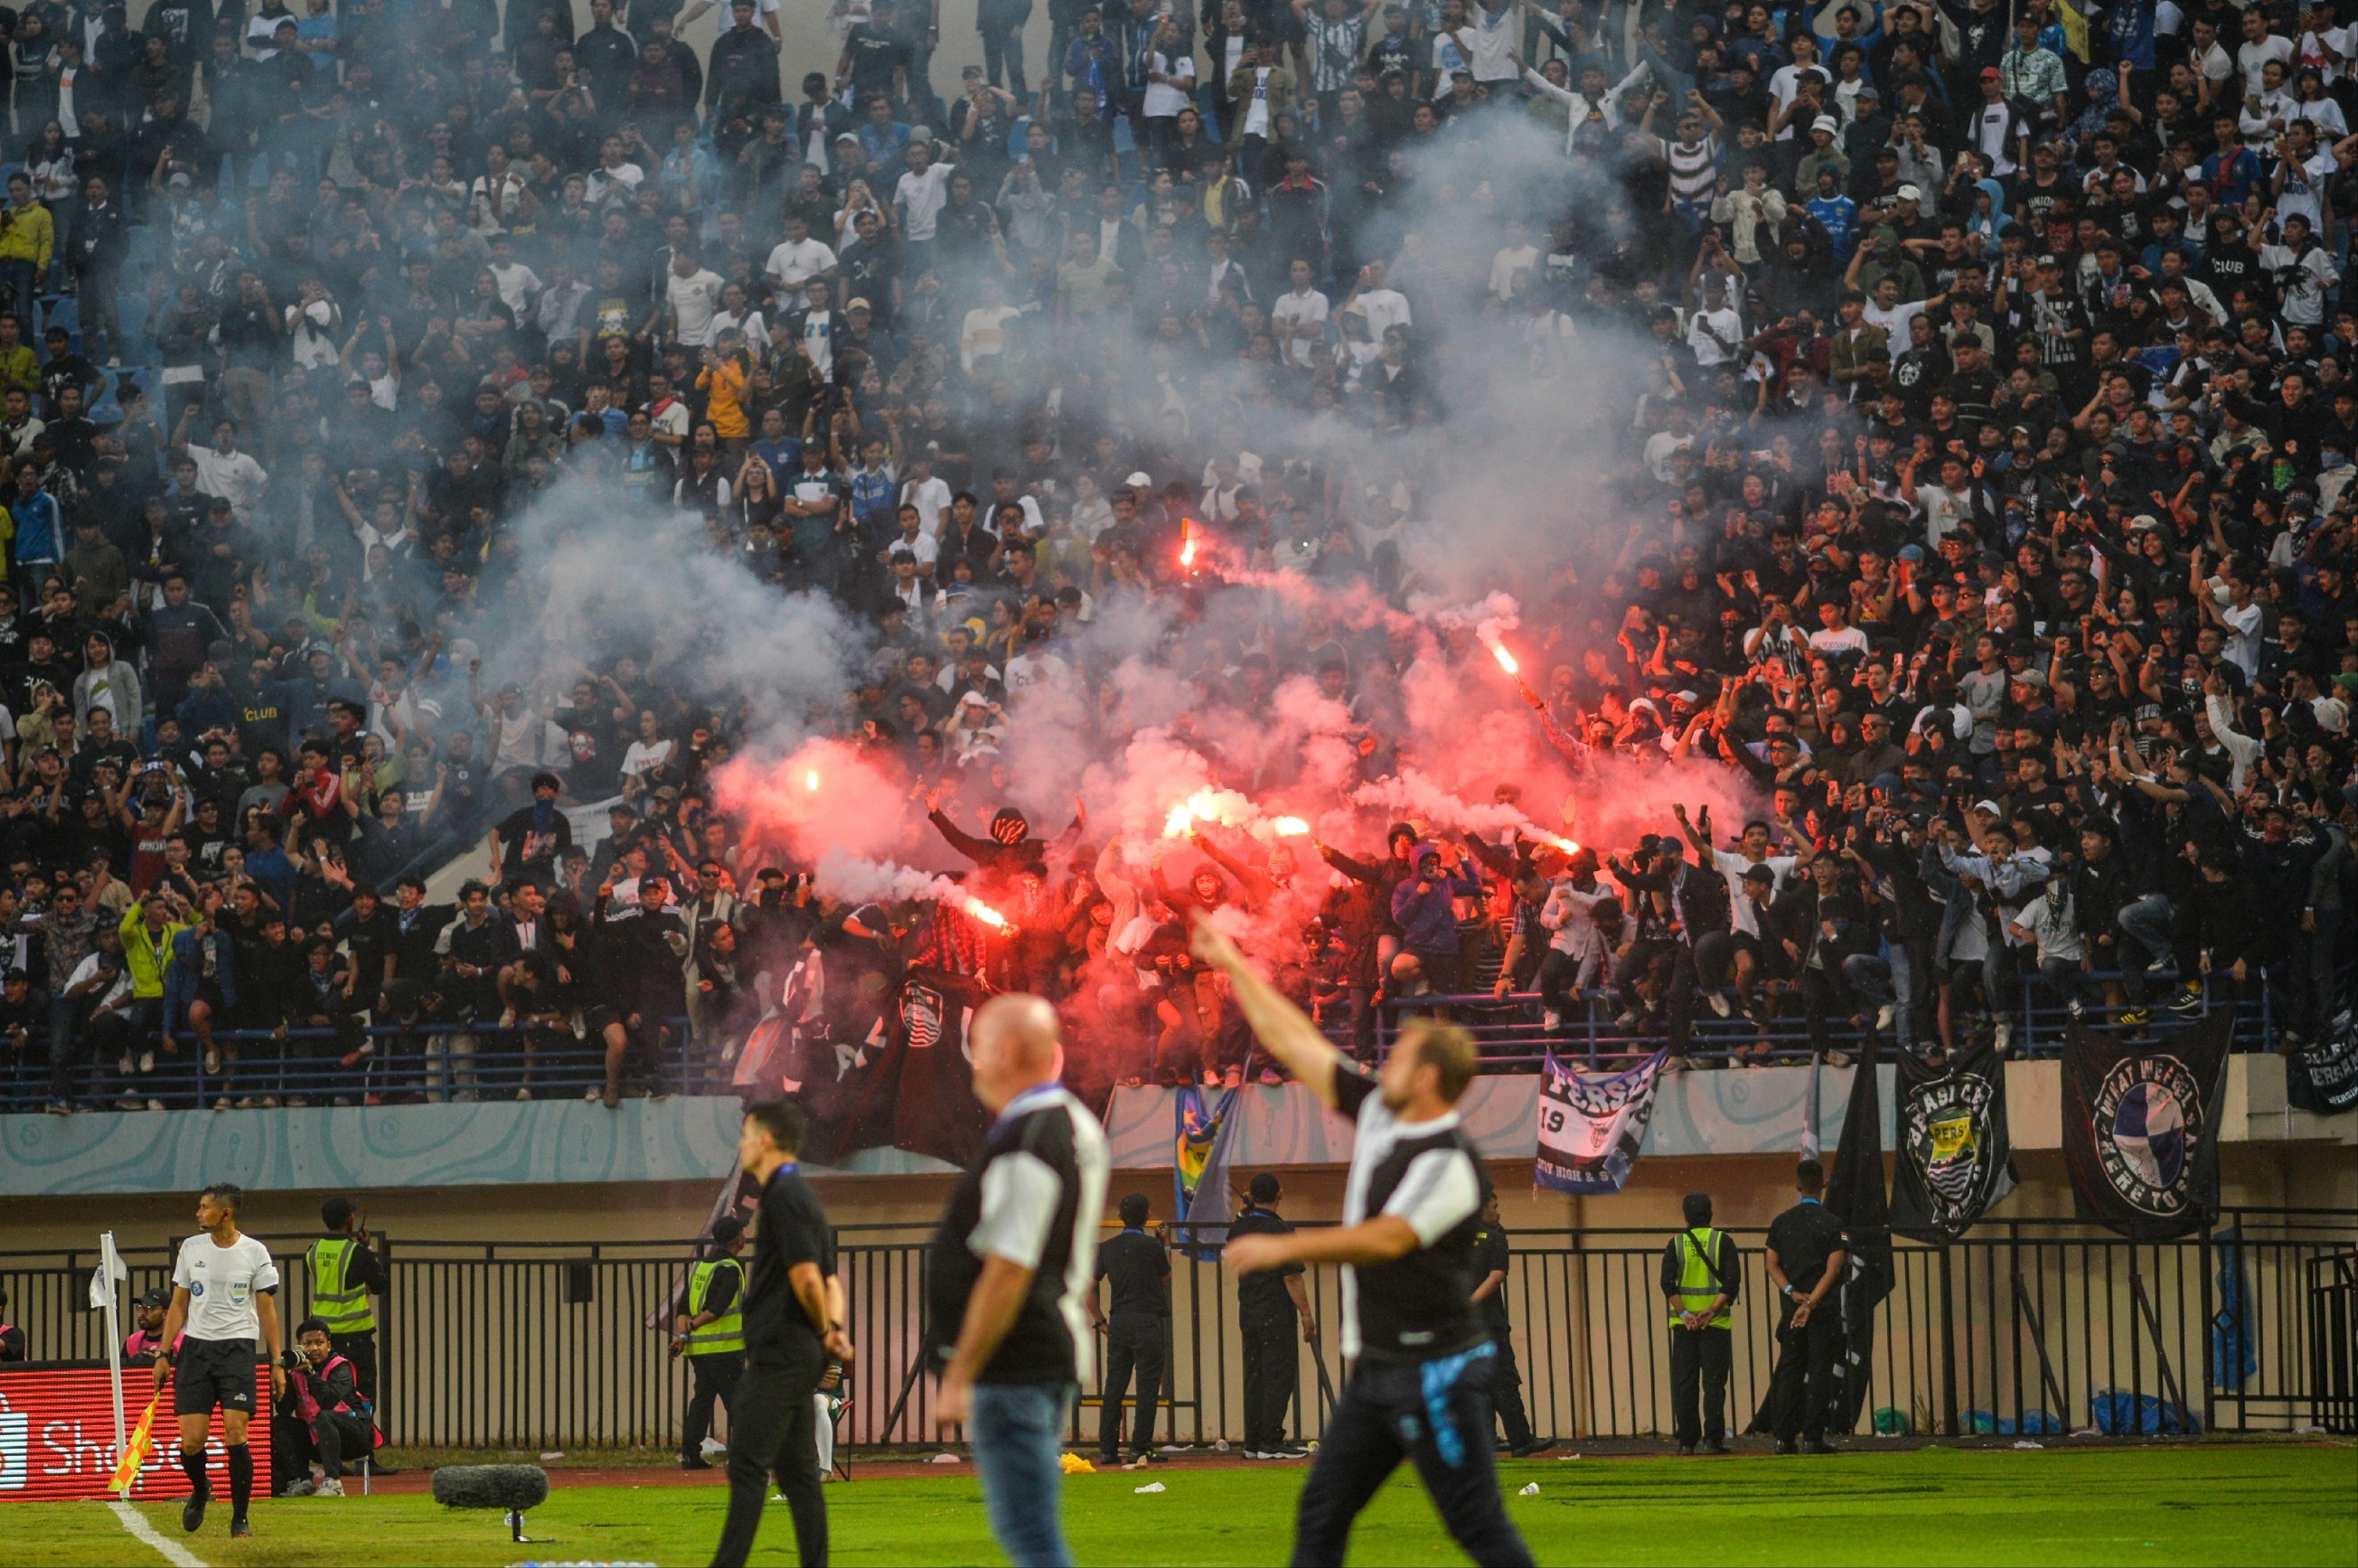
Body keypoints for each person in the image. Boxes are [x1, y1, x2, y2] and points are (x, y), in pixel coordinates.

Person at [1194, 915, 1534, 1568]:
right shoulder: (1382, 1109)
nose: (1384, 1060)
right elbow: (1297, 1043)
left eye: (1401, 1055)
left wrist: (1286, 1248)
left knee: (1478, 1527)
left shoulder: (1451, 1160)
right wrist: (1236, 968)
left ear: (1429, 1076)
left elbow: (1390, 1238)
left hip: (1434, 1368)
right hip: (1377, 1369)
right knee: (1321, 1511)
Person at [929, 994, 1109, 1568]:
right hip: (1037, 1354)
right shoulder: (1072, 1123)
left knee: (1032, 1541)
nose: (972, 1064)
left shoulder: (1030, 1136)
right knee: (1031, 1536)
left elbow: (1010, 1268)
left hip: (1016, 1363)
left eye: (976, 1049)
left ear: (1008, 1052)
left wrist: (959, 1372)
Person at [708, 1101, 850, 1568]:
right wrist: (834, 1331)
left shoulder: (785, 1196)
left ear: (766, 1140)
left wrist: (825, 1329)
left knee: (746, 1466)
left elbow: (808, 1279)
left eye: (746, 1134)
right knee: (798, 1476)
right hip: (799, 1353)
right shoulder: (805, 1198)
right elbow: (831, 1282)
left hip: (780, 1354)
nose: (741, 1143)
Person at [153, 1183, 287, 1540]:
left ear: (224, 1212)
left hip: (238, 1351)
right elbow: (179, 1305)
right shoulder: (190, 1248)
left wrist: (277, 1361)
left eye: (203, 1207)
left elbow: (267, 1310)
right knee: (192, 1441)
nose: (198, 1213)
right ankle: (201, 1488)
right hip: (195, 1351)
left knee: (235, 1432)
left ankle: (240, 1518)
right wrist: (164, 1354)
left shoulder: (255, 1252)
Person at [1764, 1158, 1849, 1455]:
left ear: (1797, 1186)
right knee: (1819, 1372)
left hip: (1791, 1311)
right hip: (1822, 1311)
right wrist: (1812, 1302)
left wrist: (1792, 1293)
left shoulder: (1781, 1222)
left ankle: (1783, 1438)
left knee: (1789, 1370)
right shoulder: (1834, 1225)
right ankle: (1813, 1438)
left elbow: (1771, 1264)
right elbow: (1834, 1269)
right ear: (1824, 1184)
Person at [1230, 1172, 1315, 1460]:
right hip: (1276, 1312)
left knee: (1254, 1377)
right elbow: (1291, 1277)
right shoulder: (1280, 1231)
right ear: (1280, 1193)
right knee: (1279, 1376)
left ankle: (1253, 1442)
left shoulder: (1242, 1228)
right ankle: (1272, 1440)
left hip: (1249, 1312)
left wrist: (1244, 1213)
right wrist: (1305, 1313)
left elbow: (1232, 1237)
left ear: (1251, 1196)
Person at [304, 1197, 393, 1469]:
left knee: (328, 1399)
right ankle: (365, 1459)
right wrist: (366, 1248)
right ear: (350, 1219)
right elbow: (378, 1285)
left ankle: (332, 1457)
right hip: (356, 1336)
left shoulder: (312, 1251)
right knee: (362, 1397)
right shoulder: (357, 1252)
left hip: (324, 1341)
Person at [1089, 1191, 1170, 1468]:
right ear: (1147, 1216)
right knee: (1148, 1387)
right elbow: (1165, 1279)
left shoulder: (1107, 1248)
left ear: (1120, 1217)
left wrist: (1100, 1320)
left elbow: (1088, 1288)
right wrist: (1166, 1246)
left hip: (1119, 1321)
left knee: (1115, 1386)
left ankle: (1108, 1450)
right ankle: (1140, 1449)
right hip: (1148, 1321)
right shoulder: (1152, 1247)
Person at [1659, 1190, 1740, 1456]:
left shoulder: (1676, 1244)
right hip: (1715, 1324)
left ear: (1685, 1217)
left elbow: (1667, 1283)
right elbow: (1732, 1282)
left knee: (1685, 1382)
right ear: (1710, 1214)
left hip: (1685, 1327)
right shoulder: (1723, 1241)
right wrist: (1712, 1310)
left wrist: (1685, 1315)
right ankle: (1713, 1439)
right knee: (1714, 1383)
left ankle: (1686, 1441)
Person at [1470, 1190, 1542, 1457]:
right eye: (1495, 1206)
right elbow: (1496, 1276)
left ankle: (1486, 1439)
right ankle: (1521, 1440)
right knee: (1503, 1380)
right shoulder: (1496, 1237)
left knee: (1479, 1382)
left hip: (1466, 1328)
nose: (1498, 1212)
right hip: (1490, 1322)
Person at [676, 1214, 748, 1470]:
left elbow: (683, 1307)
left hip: (699, 1350)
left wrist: (684, 1336)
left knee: (702, 1403)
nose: (745, 1236)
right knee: (739, 1403)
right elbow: (717, 1309)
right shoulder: (730, 1267)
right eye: (742, 1232)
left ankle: (689, 1455)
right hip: (725, 1349)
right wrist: (694, 1326)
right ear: (736, 1239)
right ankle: (742, 1456)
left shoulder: (700, 1266)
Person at [277, 1316, 373, 1497]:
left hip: (353, 1437)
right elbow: (284, 1410)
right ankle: (303, 1480)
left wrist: (310, 1374)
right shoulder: (295, 1371)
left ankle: (333, 1483)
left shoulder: (340, 1367)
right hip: (318, 1439)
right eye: (307, 1343)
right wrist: (283, 1382)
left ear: (328, 1346)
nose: (313, 1348)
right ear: (299, 1347)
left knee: (325, 1416)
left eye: (319, 1343)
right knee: (280, 1423)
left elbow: (329, 1400)